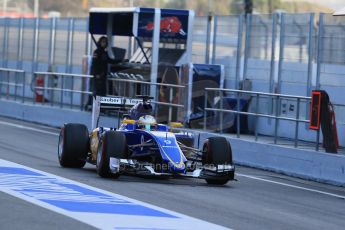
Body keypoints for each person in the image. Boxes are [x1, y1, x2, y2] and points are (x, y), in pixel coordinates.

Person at [85, 36, 123, 110]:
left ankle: (100, 108)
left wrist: (120, 60)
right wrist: (96, 74)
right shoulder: (97, 52)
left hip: (103, 76)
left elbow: (109, 60)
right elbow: (94, 64)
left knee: (102, 93)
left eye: (105, 42)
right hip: (97, 77)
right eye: (103, 42)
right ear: (100, 42)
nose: (104, 43)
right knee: (96, 92)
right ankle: (90, 106)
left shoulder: (104, 53)